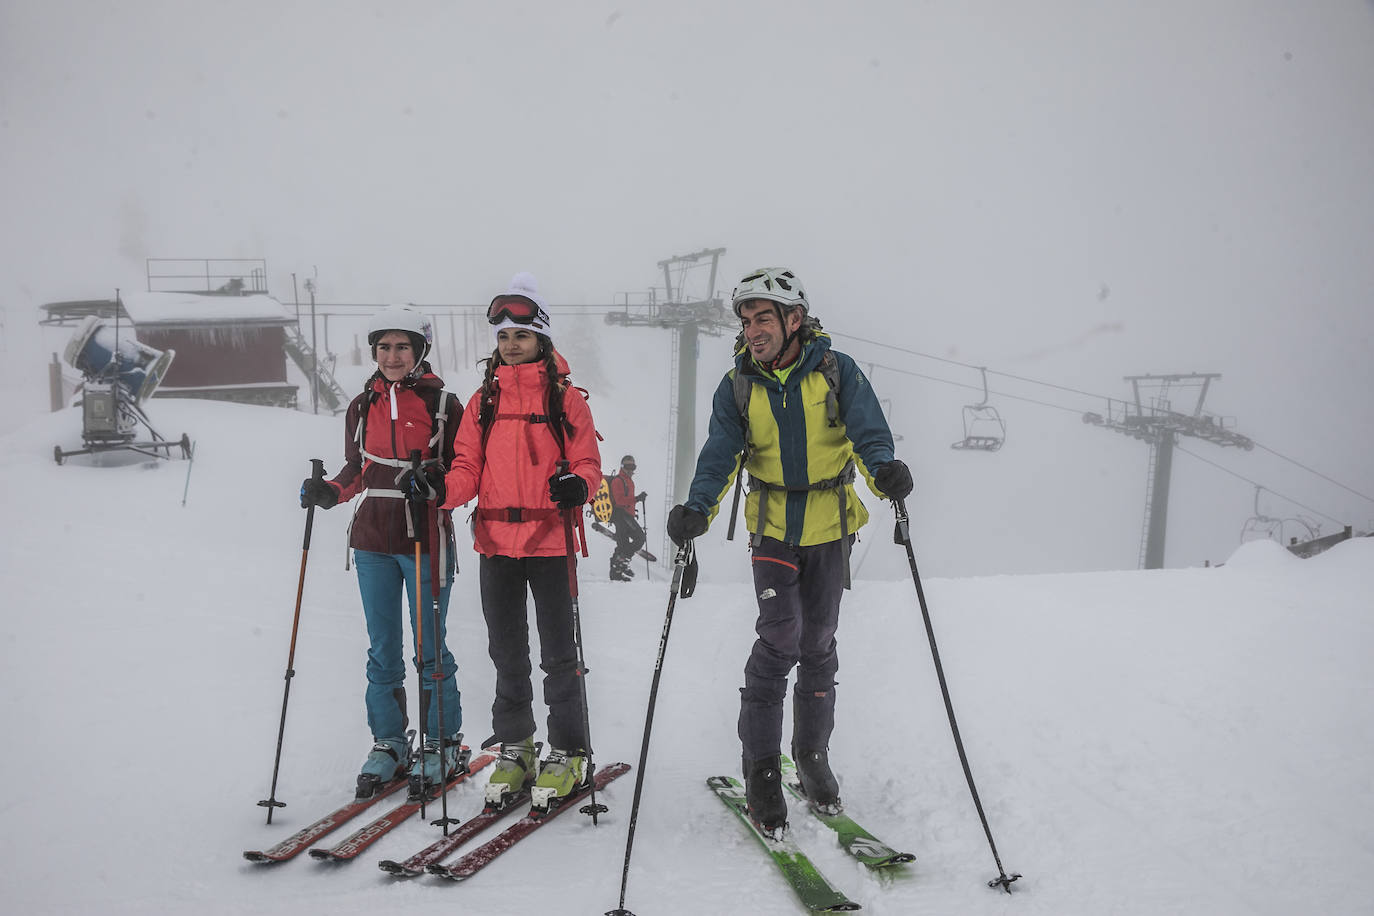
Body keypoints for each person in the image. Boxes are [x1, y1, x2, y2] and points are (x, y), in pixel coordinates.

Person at [665, 267, 913, 834]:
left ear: (793, 320)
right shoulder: (738, 385)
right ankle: (760, 769)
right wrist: (698, 508)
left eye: (764, 319)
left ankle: (810, 756)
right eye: (747, 321)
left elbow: (869, 433)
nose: (753, 330)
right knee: (781, 638)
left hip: (830, 525)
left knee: (819, 642)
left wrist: (885, 474)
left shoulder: (835, 370)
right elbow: (720, 453)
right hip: (773, 526)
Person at [441, 272, 603, 810]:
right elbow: (467, 465)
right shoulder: (481, 402)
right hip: (495, 542)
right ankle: (518, 747)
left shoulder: (566, 401)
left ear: (542, 338)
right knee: (506, 651)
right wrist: (439, 493)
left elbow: (588, 464)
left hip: (550, 541)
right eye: (504, 336)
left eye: (521, 335)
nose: (510, 345)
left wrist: (578, 484)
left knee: (560, 654)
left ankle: (569, 751)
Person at [298, 305, 465, 799]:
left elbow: (463, 472)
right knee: (383, 649)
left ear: (420, 351)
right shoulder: (361, 404)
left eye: (402, 346)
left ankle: (442, 742)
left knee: (429, 647)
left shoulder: (444, 405)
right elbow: (357, 469)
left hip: (425, 536)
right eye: (384, 347)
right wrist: (329, 490)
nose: (391, 356)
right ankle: (390, 743)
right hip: (372, 538)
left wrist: (434, 481)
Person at [606, 454, 647, 581]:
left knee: (622, 544)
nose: (630, 469)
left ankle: (616, 572)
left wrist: (634, 506)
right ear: (622, 467)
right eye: (628, 466)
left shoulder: (629, 481)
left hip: (625, 515)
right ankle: (622, 563)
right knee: (639, 537)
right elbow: (619, 501)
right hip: (621, 514)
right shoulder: (619, 480)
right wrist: (637, 499)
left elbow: (626, 501)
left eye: (633, 466)